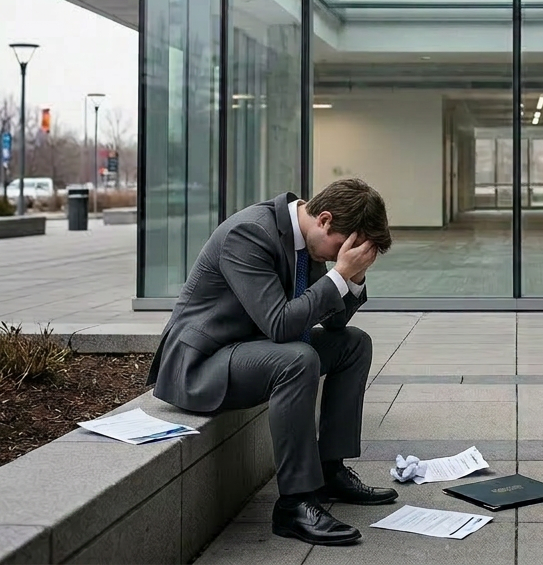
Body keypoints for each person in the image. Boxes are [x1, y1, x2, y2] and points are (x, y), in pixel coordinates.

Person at [147, 178, 397, 547]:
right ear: (325, 220)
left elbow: (335, 323)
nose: (337, 258)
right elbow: (280, 325)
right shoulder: (249, 233)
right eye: (341, 249)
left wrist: (353, 278)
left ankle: (330, 471)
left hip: (253, 348)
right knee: (298, 359)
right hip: (202, 363)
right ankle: (295, 504)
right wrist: (338, 276)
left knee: (353, 344)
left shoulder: (309, 241)